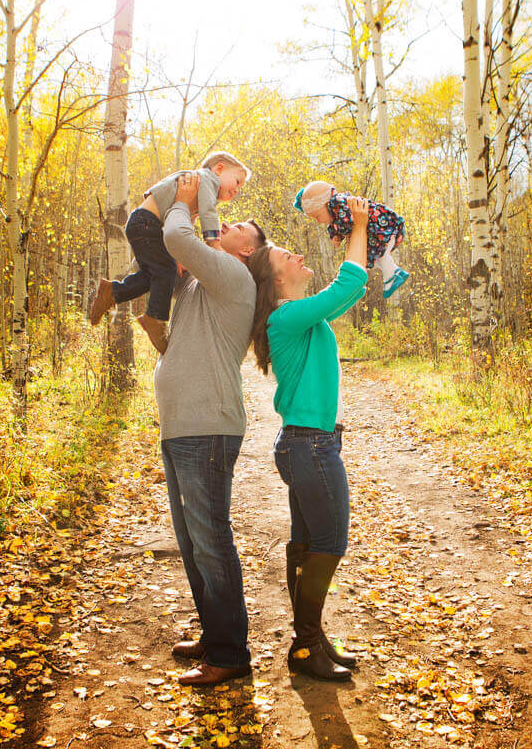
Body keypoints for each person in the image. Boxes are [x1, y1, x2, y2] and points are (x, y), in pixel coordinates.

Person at [245, 196, 370, 681]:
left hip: (307, 445)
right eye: (286, 257)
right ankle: (307, 644)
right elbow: (350, 285)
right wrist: (359, 225)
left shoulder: (299, 316)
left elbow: (339, 294)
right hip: (310, 447)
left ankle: (309, 643)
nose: (298, 257)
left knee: (305, 544)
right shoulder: (284, 316)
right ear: (276, 280)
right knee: (330, 543)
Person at [155, 171, 268, 686]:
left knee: (210, 538)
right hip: (182, 426)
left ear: (247, 251)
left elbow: (177, 236)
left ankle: (230, 653)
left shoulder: (233, 275)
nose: (231, 222)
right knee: (193, 539)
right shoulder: (205, 278)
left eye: (242, 225)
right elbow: (165, 261)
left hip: (206, 428)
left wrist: (184, 201)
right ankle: (215, 634)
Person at [88, 152, 252, 353]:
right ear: (219, 169)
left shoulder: (196, 187)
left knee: (155, 275)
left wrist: (179, 254)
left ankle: (113, 292)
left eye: (240, 188)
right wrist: (214, 243)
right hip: (147, 223)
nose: (237, 190)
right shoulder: (206, 180)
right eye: (237, 181)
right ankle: (155, 318)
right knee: (165, 271)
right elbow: (209, 212)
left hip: (145, 224)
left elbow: (184, 220)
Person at [293, 180, 409, 299]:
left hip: (386, 229)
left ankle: (391, 279)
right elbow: (337, 224)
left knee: (382, 255)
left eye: (317, 216)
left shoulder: (339, 203)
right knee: (377, 258)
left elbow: (347, 222)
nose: (318, 221)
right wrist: (336, 236)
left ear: (327, 204)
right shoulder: (336, 212)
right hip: (379, 233)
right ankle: (395, 273)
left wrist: (342, 234)